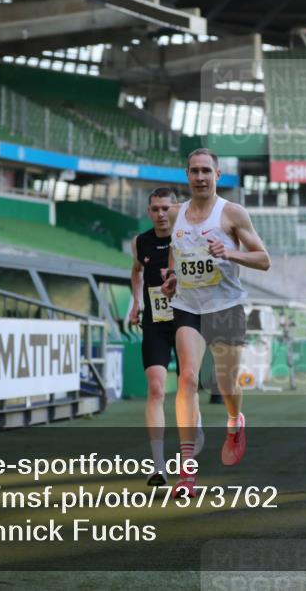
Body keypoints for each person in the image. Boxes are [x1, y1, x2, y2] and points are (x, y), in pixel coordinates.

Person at [161, 148, 271, 496]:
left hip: (225, 307)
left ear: (217, 175)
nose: (200, 177)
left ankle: (235, 421)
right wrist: (171, 276)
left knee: (225, 385)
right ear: (187, 175)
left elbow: (264, 260)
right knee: (187, 378)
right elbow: (175, 252)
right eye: (194, 171)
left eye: (206, 171)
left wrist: (230, 252)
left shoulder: (232, 213)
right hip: (187, 306)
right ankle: (187, 471)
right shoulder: (175, 213)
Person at [129, 187, 202, 486]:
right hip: (156, 323)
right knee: (156, 388)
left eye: (166, 208)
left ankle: (194, 429)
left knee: (188, 383)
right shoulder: (141, 242)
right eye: (155, 209)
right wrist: (136, 302)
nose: (161, 214)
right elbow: (136, 271)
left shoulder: (187, 238)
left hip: (187, 319)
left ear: (175, 209)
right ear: (149, 211)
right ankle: (158, 466)